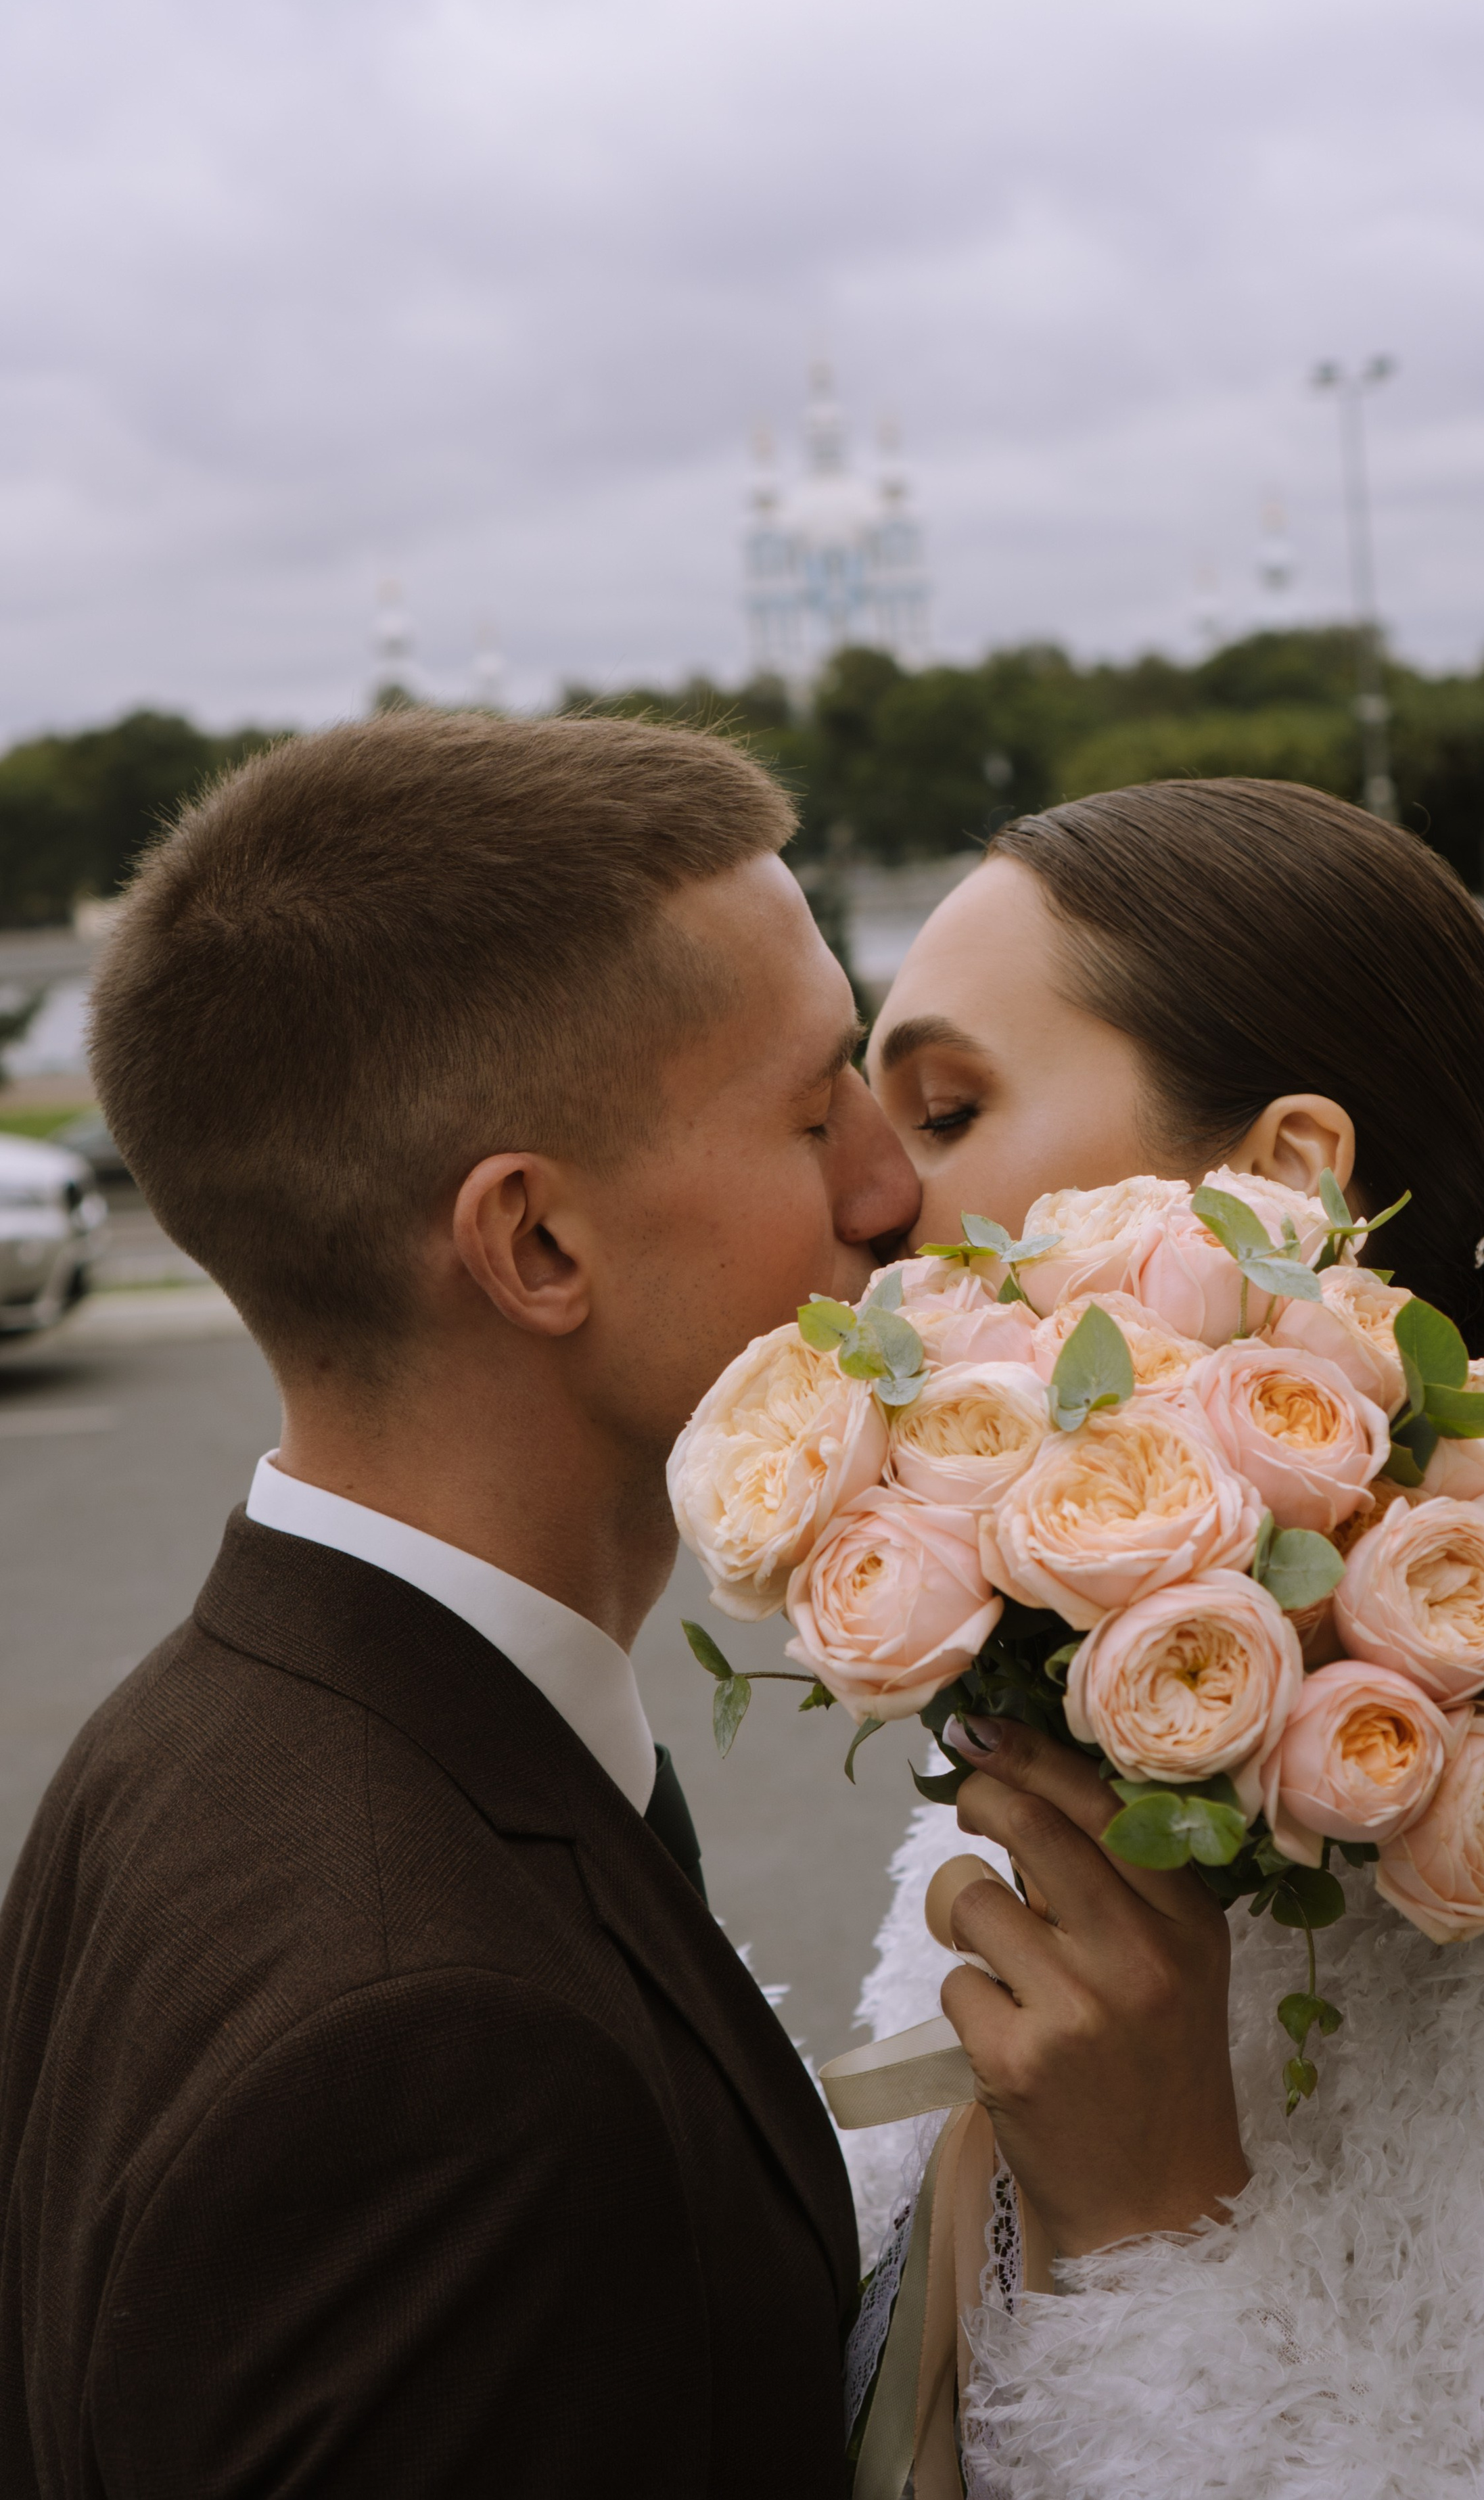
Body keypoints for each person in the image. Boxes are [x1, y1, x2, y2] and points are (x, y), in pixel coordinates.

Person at [0, 711, 1238, 2499]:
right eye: (818, 1111)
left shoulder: (176, 1746)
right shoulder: (441, 2066)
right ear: (537, 1247)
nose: (895, 1192)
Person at [852, 777, 1484, 2498]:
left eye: (946, 1108)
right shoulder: (1019, 1792)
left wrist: (1145, 2223)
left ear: (1281, 1182)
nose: (874, 1198)